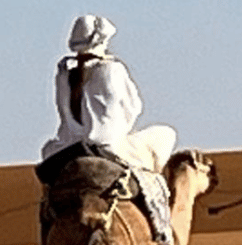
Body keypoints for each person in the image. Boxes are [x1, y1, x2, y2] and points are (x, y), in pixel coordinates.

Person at [41, 14, 177, 174]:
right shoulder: (111, 69)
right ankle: (154, 183)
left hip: (67, 147)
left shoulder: (63, 74)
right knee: (167, 134)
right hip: (107, 147)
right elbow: (133, 108)